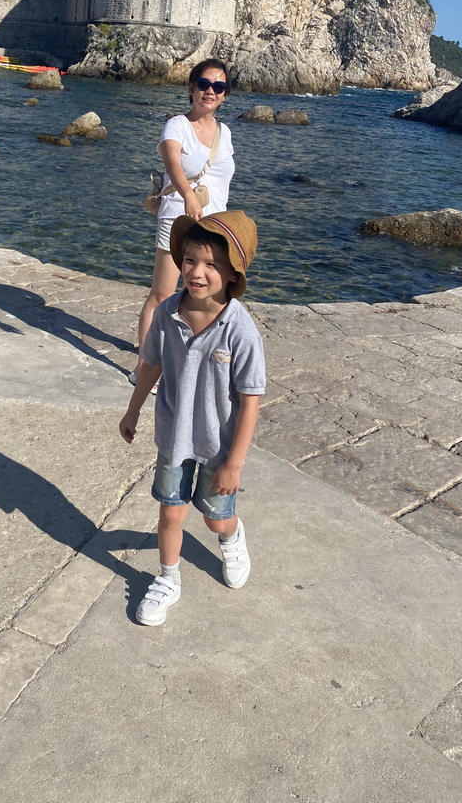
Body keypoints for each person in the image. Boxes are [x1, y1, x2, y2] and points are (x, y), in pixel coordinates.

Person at [119, 210, 265, 626]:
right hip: (174, 436)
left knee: (214, 516)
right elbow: (151, 364)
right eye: (190, 260)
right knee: (171, 512)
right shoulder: (166, 313)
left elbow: (250, 399)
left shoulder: (240, 330)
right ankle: (167, 579)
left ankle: (233, 538)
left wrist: (235, 462)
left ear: (232, 275)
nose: (196, 272)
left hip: (219, 444)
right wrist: (132, 410)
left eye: (211, 265)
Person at [130, 59, 235, 389]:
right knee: (162, 295)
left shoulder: (225, 132)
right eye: (203, 84)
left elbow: (223, 182)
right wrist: (189, 195)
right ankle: (144, 368)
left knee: (206, 295)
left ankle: (197, 360)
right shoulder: (176, 125)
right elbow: (171, 160)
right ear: (191, 88)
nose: (209, 91)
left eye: (218, 87)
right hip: (177, 217)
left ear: (224, 95)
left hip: (213, 226)